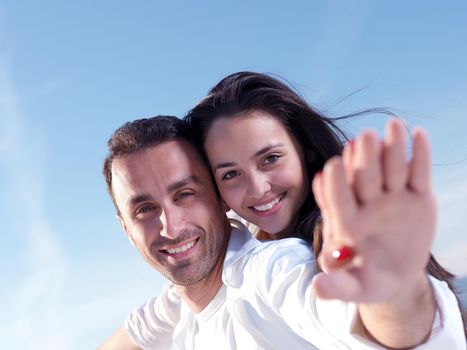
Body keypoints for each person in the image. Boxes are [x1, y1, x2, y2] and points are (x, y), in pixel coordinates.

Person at [98, 115, 464, 349]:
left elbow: (363, 326)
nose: (170, 226)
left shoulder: (271, 271)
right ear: (126, 228)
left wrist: (395, 289)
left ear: (220, 199)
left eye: (185, 194)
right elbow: (135, 333)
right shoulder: (177, 304)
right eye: (145, 209)